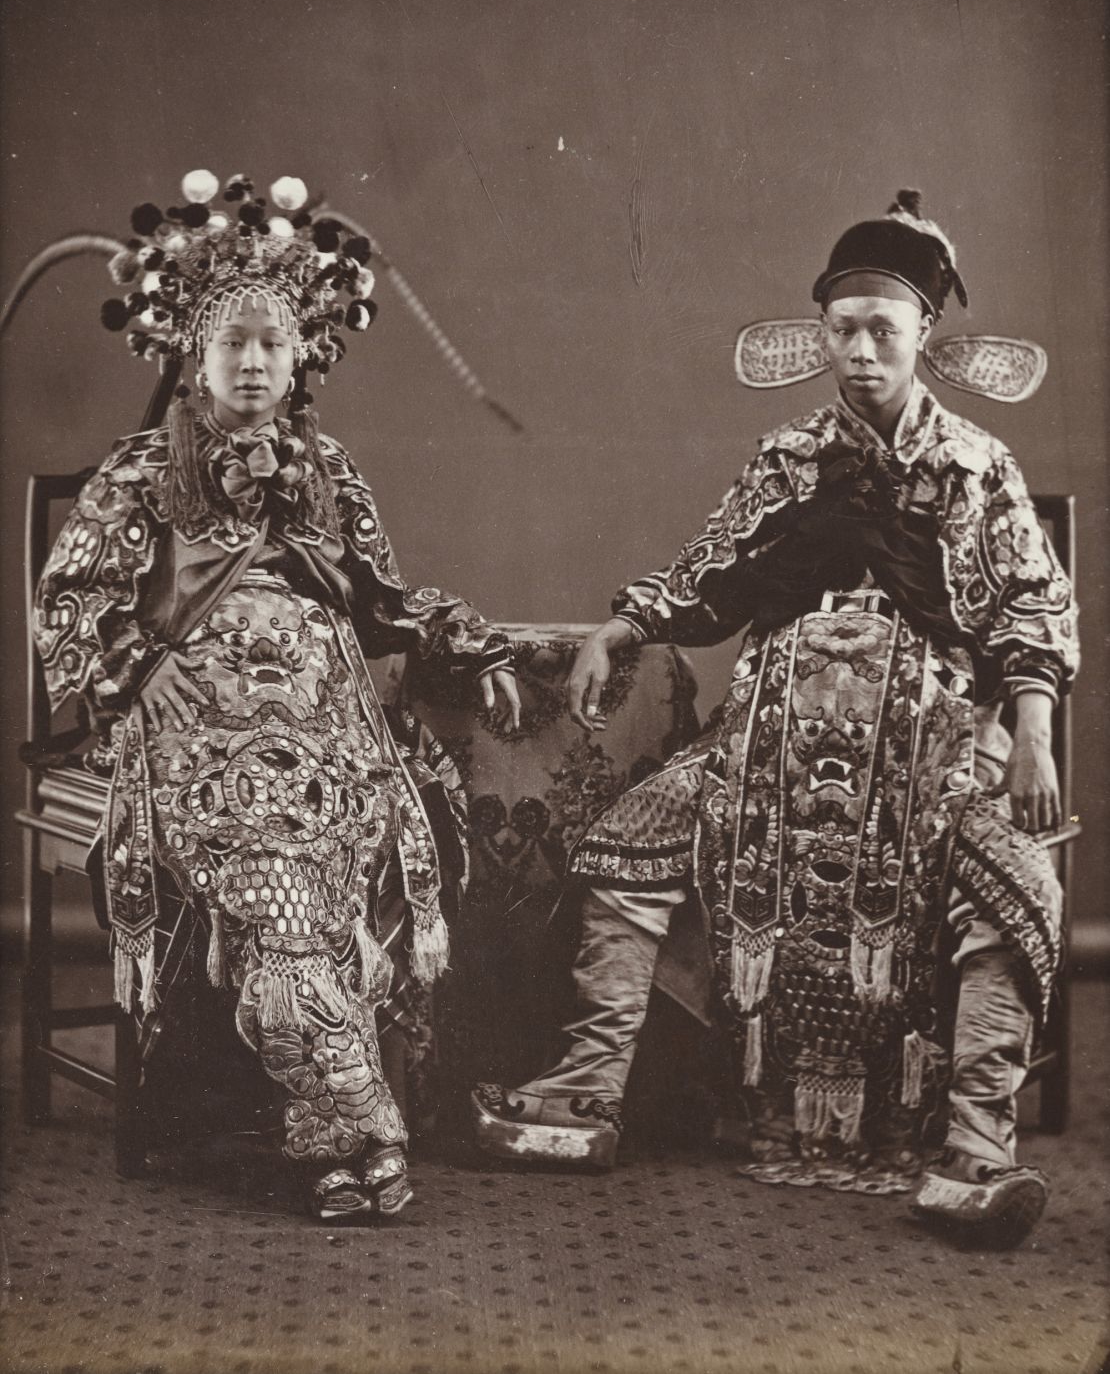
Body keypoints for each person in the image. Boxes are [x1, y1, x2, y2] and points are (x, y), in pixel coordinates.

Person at [473, 191, 1078, 1248]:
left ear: (924, 332)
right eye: (840, 328)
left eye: (880, 327)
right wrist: (623, 626)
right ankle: (584, 1092)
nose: (857, 349)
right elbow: (711, 573)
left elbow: (1031, 608)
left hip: (937, 732)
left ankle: (979, 1144)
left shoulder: (978, 467)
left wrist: (1027, 731)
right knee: (628, 839)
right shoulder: (790, 455)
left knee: (1016, 879)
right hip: (773, 734)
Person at [33, 169, 520, 1223]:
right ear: (191, 357)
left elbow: (384, 598)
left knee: (372, 837)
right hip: (192, 725)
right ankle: (361, 1122)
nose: (252, 363)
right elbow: (71, 599)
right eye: (231, 343)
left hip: (330, 721)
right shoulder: (137, 474)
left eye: (272, 343)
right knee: (271, 873)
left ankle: (325, 1132)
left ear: (303, 355)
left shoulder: (330, 472)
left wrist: (473, 647)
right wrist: (133, 671)